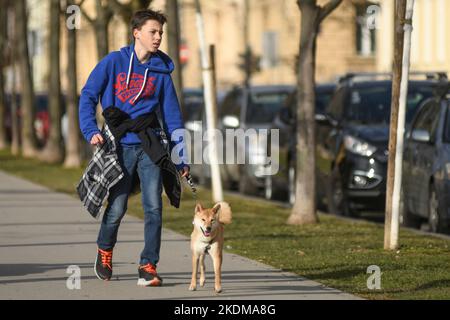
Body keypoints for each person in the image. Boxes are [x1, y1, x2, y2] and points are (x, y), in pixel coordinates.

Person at [78, 9, 189, 287]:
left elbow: (172, 116)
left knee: (154, 208)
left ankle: (148, 265)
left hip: (149, 145)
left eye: (161, 33)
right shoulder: (113, 62)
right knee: (116, 207)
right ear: (136, 33)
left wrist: (181, 155)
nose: (158, 37)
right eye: (153, 31)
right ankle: (104, 251)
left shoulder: (162, 71)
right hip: (119, 144)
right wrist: (91, 130)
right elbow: (89, 95)